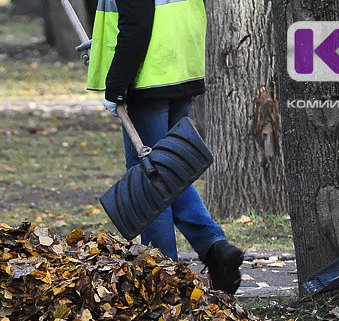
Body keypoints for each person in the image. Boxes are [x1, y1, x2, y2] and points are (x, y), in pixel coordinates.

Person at [87, 0, 244, 295]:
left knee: (150, 181)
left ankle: (163, 278)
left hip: (150, 80)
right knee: (169, 171)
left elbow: (137, 24)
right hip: (180, 71)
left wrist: (116, 86)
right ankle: (215, 247)